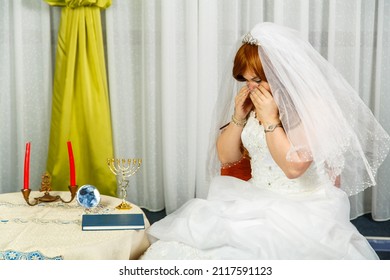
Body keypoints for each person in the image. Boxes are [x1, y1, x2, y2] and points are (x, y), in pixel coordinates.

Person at [140, 22, 390, 260]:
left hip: (302, 208)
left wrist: (271, 120)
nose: (250, 87)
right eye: (246, 80)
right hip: (253, 198)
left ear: (281, 74)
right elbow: (227, 157)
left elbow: (293, 168)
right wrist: (238, 117)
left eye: (258, 80)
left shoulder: (313, 108)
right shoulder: (254, 103)